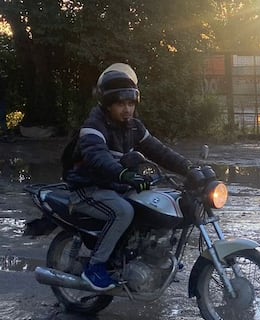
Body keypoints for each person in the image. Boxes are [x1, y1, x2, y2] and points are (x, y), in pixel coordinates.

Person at [64, 63, 194, 290]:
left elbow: (159, 151)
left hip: (113, 185)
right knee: (123, 211)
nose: (127, 109)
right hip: (88, 188)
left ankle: (151, 256)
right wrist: (124, 174)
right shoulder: (93, 126)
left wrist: (189, 168)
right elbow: (97, 157)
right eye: (120, 104)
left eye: (130, 103)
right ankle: (94, 268)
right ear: (107, 105)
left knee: (157, 203)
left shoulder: (133, 126)